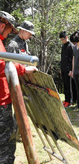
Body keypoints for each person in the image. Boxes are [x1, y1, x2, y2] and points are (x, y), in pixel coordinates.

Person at [0, 11, 37, 163]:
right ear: (2, 26)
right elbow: (3, 65)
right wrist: (23, 69)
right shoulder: (7, 44)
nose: (9, 34)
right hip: (1, 101)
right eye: (9, 30)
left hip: (5, 97)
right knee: (6, 145)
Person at [59, 31, 73, 108]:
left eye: (63, 39)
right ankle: (66, 100)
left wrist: (71, 70)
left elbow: (71, 59)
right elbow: (62, 58)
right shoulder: (63, 46)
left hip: (68, 69)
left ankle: (70, 101)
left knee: (69, 85)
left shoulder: (70, 46)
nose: (62, 41)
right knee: (65, 85)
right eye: (61, 39)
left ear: (66, 37)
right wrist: (61, 68)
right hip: (63, 68)